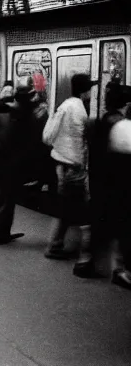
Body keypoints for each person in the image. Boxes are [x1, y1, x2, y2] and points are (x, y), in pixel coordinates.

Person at [0, 77, 48, 246]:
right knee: (5, 198)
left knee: (7, 198)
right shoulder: (18, 116)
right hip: (8, 165)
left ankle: (2, 232)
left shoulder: (1, 110)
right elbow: (26, 142)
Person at [42, 73, 97, 277]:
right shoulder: (78, 109)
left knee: (64, 209)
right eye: (90, 89)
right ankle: (84, 257)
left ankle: (55, 245)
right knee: (83, 212)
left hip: (62, 164)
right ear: (85, 91)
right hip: (73, 167)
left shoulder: (65, 105)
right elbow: (81, 138)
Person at [85, 83, 131, 286]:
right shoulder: (121, 126)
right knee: (122, 228)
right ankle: (120, 270)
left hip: (101, 181)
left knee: (102, 225)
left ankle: (88, 261)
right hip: (118, 186)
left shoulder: (101, 121)